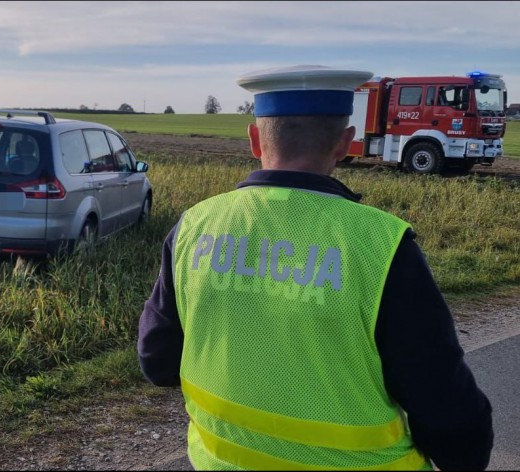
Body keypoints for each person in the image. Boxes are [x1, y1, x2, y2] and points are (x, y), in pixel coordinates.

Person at [137, 65, 493, 471]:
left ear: (255, 139)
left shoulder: (193, 226)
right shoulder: (382, 245)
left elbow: (157, 361)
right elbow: (445, 404)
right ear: (345, 143)